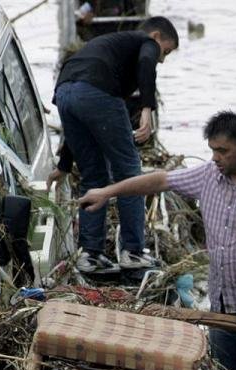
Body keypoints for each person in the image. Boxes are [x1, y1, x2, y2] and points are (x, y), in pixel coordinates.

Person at [78, 111, 236, 370]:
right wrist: (107, 192)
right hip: (225, 304)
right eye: (213, 150)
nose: (216, 157)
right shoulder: (209, 175)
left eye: (223, 151)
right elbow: (159, 181)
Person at [49, 16, 179, 273]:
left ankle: (90, 256)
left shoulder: (110, 50)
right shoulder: (145, 41)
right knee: (129, 170)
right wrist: (146, 108)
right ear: (155, 37)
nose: (162, 59)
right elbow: (146, 62)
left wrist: (63, 165)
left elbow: (79, 119)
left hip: (64, 92)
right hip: (95, 92)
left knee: (93, 175)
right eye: (165, 51)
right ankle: (132, 251)